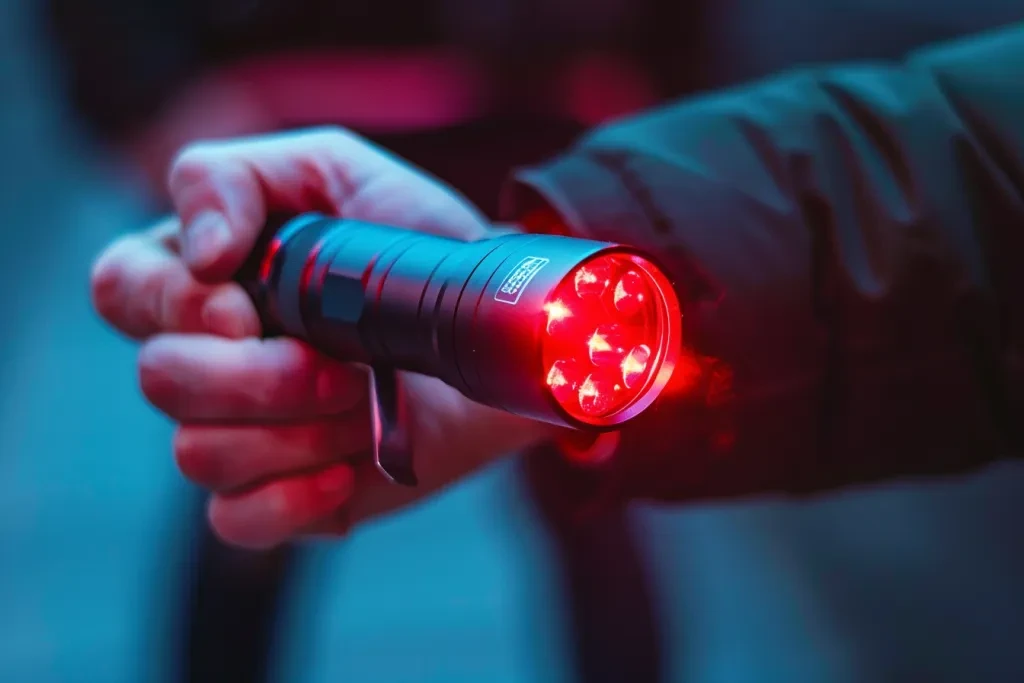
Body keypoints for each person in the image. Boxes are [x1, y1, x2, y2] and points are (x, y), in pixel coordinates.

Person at [91, 22, 1022, 550]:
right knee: (268, 488)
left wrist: (659, 77)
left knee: (597, 549)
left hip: (549, 111)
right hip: (300, 94)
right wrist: (132, 85)